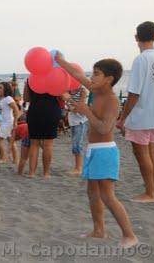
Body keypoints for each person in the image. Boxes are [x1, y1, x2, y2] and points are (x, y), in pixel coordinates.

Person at [56, 53, 138, 248]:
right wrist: (61, 62)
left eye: (96, 74)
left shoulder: (111, 100)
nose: (91, 78)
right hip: (93, 150)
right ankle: (99, 230)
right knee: (92, 193)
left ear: (108, 79)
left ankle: (130, 235)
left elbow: (104, 128)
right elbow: (77, 74)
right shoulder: (97, 91)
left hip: (105, 151)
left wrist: (85, 111)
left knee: (107, 195)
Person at [117, 21, 154, 203]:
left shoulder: (141, 59)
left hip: (142, 115)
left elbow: (134, 93)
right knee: (153, 153)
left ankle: (150, 193)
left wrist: (123, 117)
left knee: (142, 154)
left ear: (136, 37)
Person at [24, 79, 60, 178]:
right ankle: (46, 173)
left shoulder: (31, 78)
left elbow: (26, 98)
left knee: (34, 143)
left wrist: (27, 85)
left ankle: (32, 173)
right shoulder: (55, 76)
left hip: (35, 110)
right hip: (51, 109)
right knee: (48, 144)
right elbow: (62, 97)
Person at [63, 86, 89, 176]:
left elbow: (80, 108)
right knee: (75, 145)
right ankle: (77, 167)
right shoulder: (68, 90)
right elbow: (68, 106)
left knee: (78, 145)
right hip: (72, 121)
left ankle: (79, 168)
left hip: (80, 121)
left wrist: (70, 100)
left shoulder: (82, 91)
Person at [0, 82, 20, 164]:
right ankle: (15, 160)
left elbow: (16, 110)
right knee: (11, 141)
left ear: (5, 89)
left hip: (8, 122)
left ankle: (3, 158)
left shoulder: (8, 98)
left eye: (0, 88)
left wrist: (15, 122)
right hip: (2, 122)